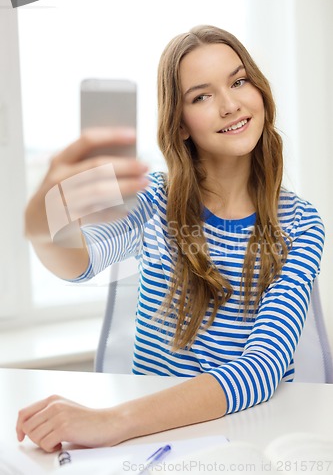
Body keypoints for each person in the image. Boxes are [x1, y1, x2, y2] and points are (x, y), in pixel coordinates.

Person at [17, 25, 324, 453]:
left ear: (260, 90)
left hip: (251, 435)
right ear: (179, 124)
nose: (230, 104)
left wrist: (112, 422)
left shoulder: (301, 224)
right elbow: (79, 262)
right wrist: (42, 221)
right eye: (202, 96)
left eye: (238, 81)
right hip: (154, 440)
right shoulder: (154, 200)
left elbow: (262, 367)